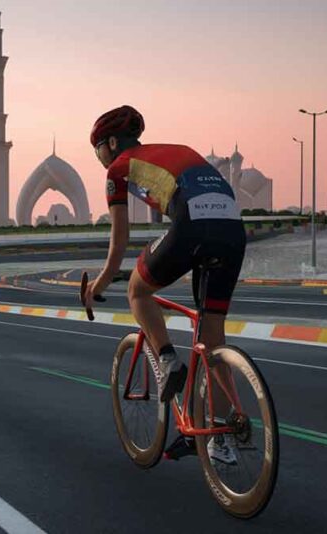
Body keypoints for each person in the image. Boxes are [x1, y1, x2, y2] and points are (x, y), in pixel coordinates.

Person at [83, 105, 246, 464]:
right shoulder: (178, 151)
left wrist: (101, 281)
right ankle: (220, 437)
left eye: (97, 149)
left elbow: (120, 238)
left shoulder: (118, 168)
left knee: (138, 290)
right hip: (233, 229)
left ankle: (169, 360)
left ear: (111, 142)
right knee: (211, 341)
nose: (98, 157)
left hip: (192, 224)